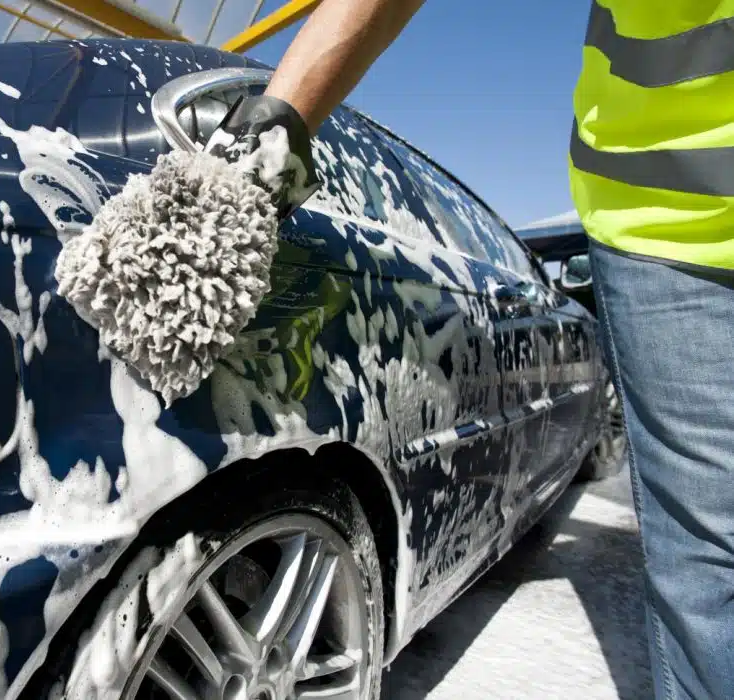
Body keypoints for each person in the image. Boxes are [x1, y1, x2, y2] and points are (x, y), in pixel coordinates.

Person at [209, 1, 734, 698]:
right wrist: (263, 150)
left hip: (666, 213)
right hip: (677, 216)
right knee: (711, 561)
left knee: (712, 560)